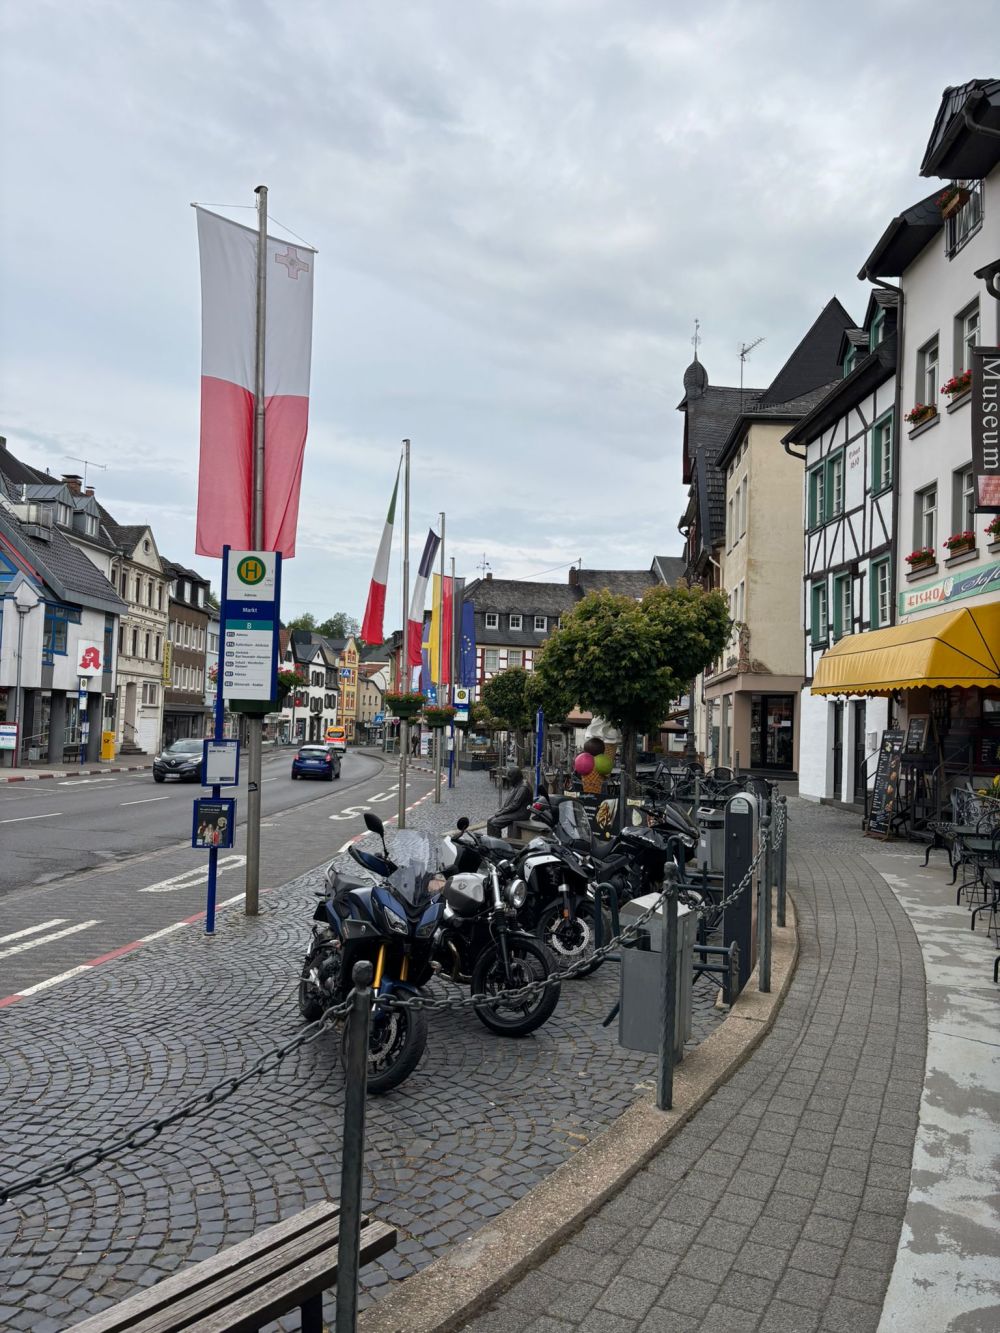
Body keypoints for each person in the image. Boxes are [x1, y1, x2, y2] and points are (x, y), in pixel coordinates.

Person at [487, 766, 533, 839]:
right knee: (490, 820)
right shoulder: (517, 785)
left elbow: (515, 805)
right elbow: (509, 802)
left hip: (521, 813)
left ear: (515, 778)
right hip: (515, 811)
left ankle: (497, 845)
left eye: (510, 779)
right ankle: (490, 842)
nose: (509, 781)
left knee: (494, 823)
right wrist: (502, 810)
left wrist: (501, 812)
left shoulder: (523, 788)